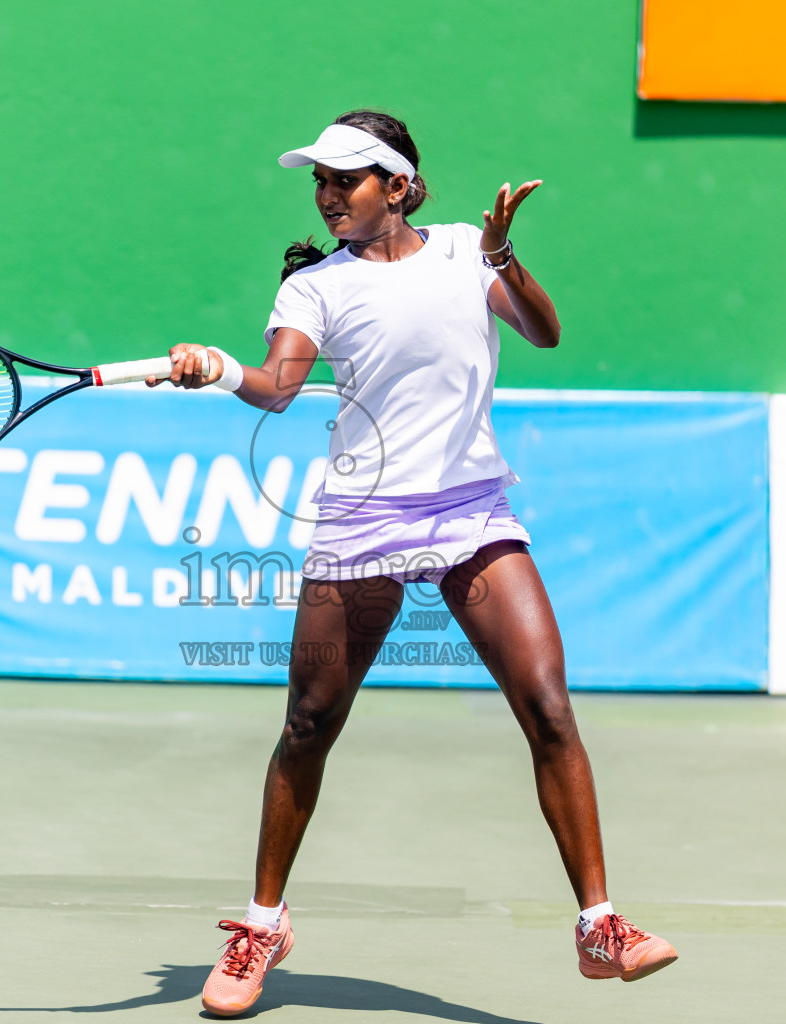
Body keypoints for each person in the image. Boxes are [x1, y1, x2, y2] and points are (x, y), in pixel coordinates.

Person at [150, 110, 677, 1017]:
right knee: (309, 726)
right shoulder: (314, 288)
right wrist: (220, 370)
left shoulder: (470, 253)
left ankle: (600, 926)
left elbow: (546, 334)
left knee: (549, 705)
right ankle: (260, 925)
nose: (327, 197)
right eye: (318, 182)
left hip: (471, 506)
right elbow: (278, 387)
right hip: (362, 518)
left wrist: (503, 256)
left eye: (344, 180)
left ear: (398, 186)